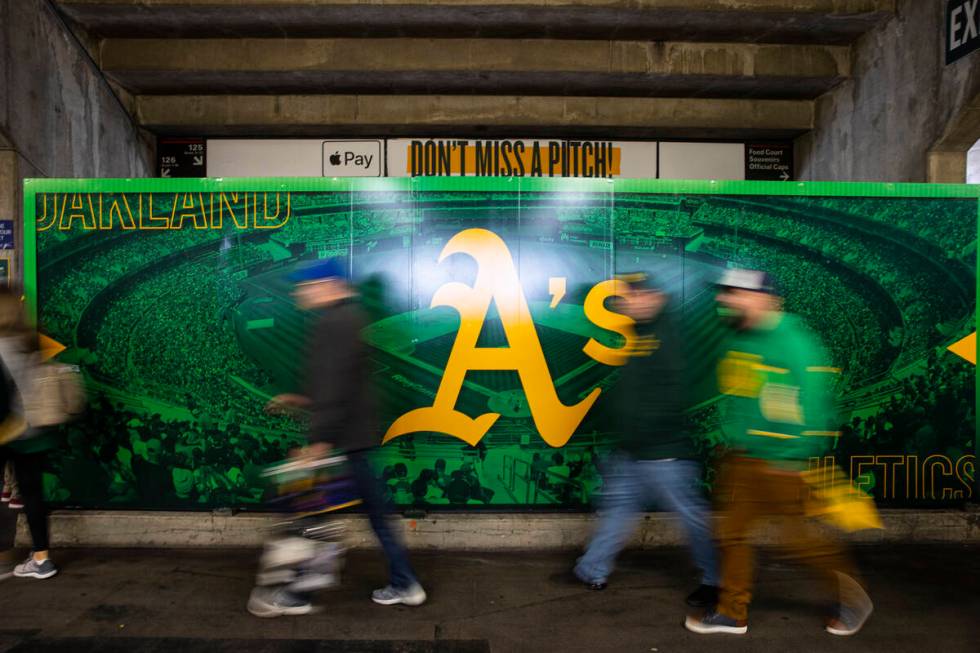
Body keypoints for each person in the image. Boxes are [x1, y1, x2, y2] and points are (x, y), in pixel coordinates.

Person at [685, 268, 872, 636]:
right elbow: (744, 395)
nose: (726, 299)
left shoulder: (794, 341)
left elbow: (817, 405)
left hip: (781, 462)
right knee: (732, 534)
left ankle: (852, 596)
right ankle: (733, 612)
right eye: (726, 292)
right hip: (744, 457)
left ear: (767, 298)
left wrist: (794, 455)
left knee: (798, 542)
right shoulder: (743, 337)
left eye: (737, 293)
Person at [248, 258, 426, 617]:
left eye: (308, 285)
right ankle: (406, 583)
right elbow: (340, 383)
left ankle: (297, 595)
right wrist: (300, 400)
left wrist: (318, 444)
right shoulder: (348, 317)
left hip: (342, 441)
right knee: (372, 517)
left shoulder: (335, 322)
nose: (301, 291)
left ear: (329, 284)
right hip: (354, 439)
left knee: (314, 522)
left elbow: (335, 388)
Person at [573, 272, 719, 607]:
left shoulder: (668, 335)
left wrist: (646, 433)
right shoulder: (642, 332)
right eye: (627, 296)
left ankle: (716, 579)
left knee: (692, 517)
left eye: (637, 295)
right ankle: (592, 568)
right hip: (633, 451)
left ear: (656, 297)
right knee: (617, 510)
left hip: (664, 453)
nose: (629, 301)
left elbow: (674, 394)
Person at [0, 287, 58, 579]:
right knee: (33, 496)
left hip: (6, 433)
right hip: (33, 431)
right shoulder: (30, 340)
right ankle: (41, 558)